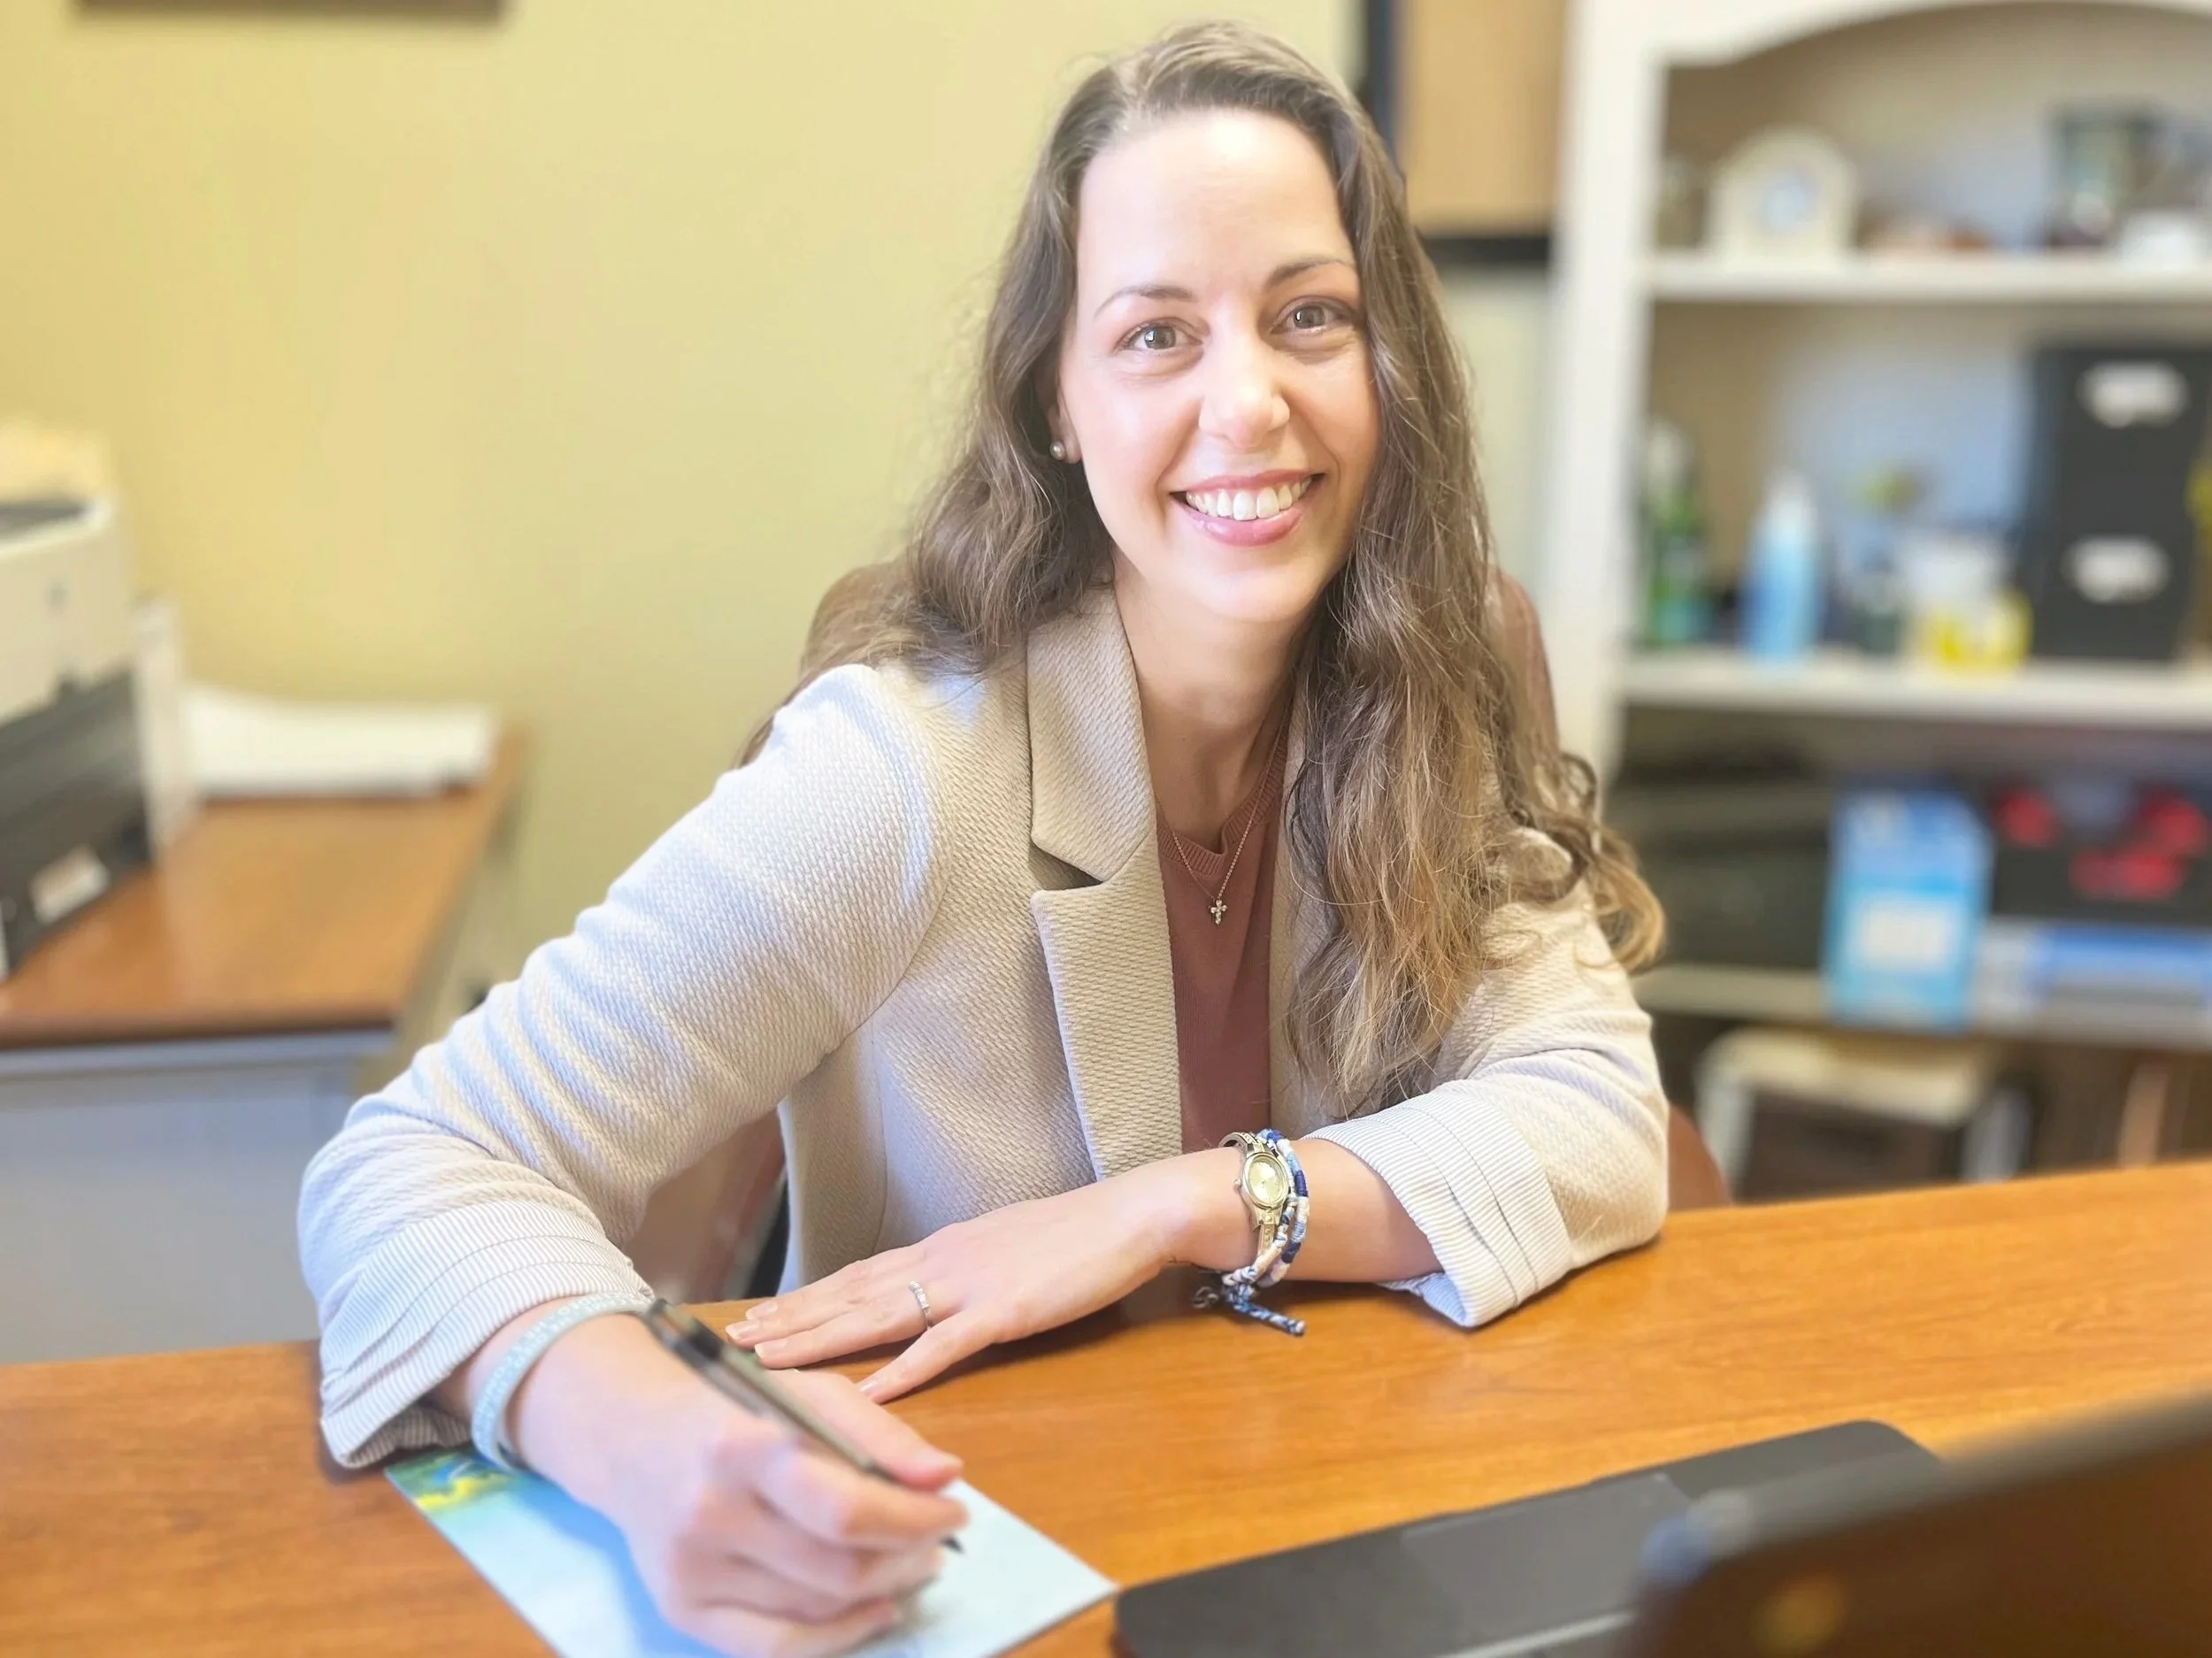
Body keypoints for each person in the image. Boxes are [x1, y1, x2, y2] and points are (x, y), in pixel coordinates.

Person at [300, 20, 1667, 1658]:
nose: (1250, 401)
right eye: (1158, 334)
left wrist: (1182, 1204)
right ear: (1060, 408)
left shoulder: (1423, 691)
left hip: (1329, 1542)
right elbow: (410, 1163)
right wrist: (650, 1440)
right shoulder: (908, 764)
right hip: (969, 1560)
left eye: (1311, 316)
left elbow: (1599, 1106)